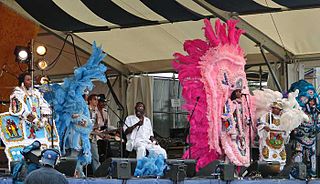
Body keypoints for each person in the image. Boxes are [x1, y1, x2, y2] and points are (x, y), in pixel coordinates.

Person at [9, 72, 51, 139]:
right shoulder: (17, 93)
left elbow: (44, 105)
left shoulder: (36, 93)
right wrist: (34, 120)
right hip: (25, 125)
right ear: (22, 82)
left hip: (40, 126)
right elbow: (20, 109)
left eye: (31, 79)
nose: (30, 81)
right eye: (28, 80)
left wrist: (44, 117)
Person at [292, 98, 320, 178]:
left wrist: (315, 130)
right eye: (310, 101)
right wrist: (297, 130)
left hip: (311, 139)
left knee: (312, 157)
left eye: (313, 101)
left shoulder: (317, 113)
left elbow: (319, 124)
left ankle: (312, 174)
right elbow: (295, 123)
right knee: (298, 155)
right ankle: (296, 174)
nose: (312, 103)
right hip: (300, 138)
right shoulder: (301, 111)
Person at [257, 100, 288, 170]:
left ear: (280, 110)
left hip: (279, 141)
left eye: (278, 108)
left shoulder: (283, 117)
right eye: (274, 108)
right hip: (268, 139)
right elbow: (260, 123)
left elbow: (287, 128)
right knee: (267, 155)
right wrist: (264, 127)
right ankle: (266, 170)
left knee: (280, 157)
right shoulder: (267, 116)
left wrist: (285, 131)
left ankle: (279, 170)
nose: (275, 109)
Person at [88, 94, 101, 173]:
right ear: (90, 100)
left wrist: (97, 127)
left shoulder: (96, 111)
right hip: (84, 136)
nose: (96, 101)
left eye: (97, 99)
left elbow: (96, 124)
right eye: (94, 99)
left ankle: (98, 173)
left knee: (95, 156)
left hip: (93, 136)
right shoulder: (86, 109)